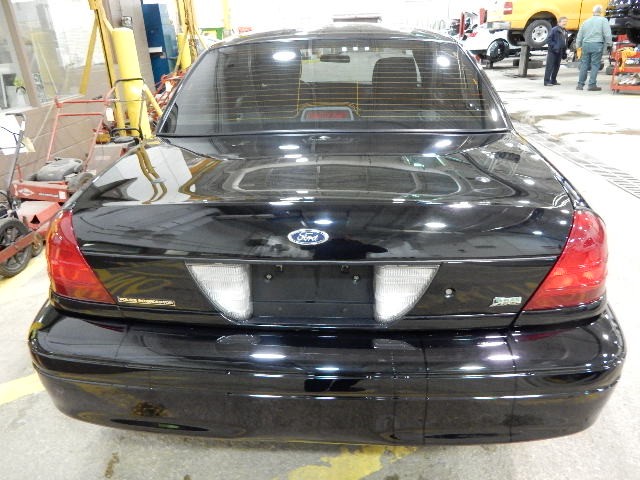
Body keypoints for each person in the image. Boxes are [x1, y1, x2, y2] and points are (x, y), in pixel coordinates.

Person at [575, 5, 613, 91]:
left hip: (586, 45)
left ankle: (580, 85)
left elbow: (580, 35)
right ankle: (592, 85)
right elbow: (607, 34)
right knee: (595, 65)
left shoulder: (586, 21)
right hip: (597, 45)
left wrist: (578, 45)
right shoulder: (603, 20)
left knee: (584, 64)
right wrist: (609, 44)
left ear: (593, 12)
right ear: (601, 12)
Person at [544, 17, 568, 86]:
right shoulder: (554, 30)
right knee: (550, 66)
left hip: (560, 51)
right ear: (559, 22)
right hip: (553, 51)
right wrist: (555, 46)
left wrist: (564, 52)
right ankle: (546, 81)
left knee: (557, 67)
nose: (565, 23)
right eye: (563, 21)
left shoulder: (565, 31)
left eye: (566, 21)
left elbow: (564, 42)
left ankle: (553, 80)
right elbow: (548, 40)